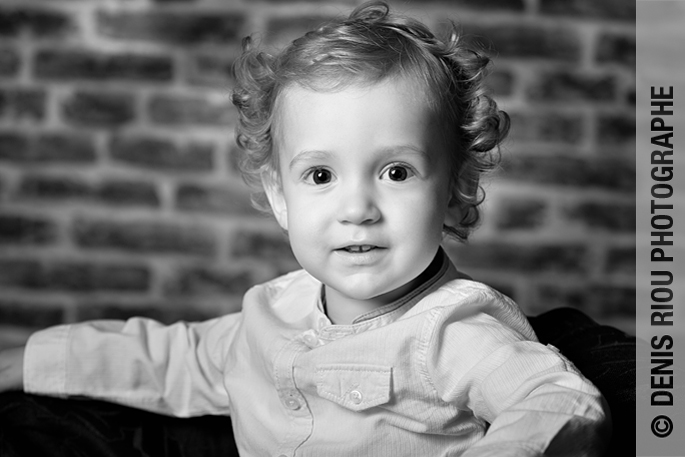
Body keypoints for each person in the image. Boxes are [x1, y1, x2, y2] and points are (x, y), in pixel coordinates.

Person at [0, 2, 610, 456]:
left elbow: (560, 404)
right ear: (280, 196)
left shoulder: (454, 331)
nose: (358, 208)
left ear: (452, 191)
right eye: (320, 175)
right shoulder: (274, 309)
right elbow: (171, 359)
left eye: (396, 171)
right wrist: (30, 359)